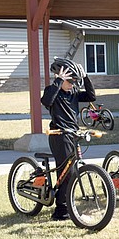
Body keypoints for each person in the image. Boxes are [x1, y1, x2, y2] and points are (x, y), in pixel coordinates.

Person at [40, 57, 95, 220]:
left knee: (73, 170)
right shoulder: (52, 91)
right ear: (59, 77)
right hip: (59, 135)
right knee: (66, 172)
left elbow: (91, 96)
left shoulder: (74, 93)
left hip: (72, 134)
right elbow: (46, 101)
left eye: (74, 81)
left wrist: (85, 77)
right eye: (69, 81)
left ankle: (66, 203)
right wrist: (58, 81)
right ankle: (61, 210)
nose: (72, 84)